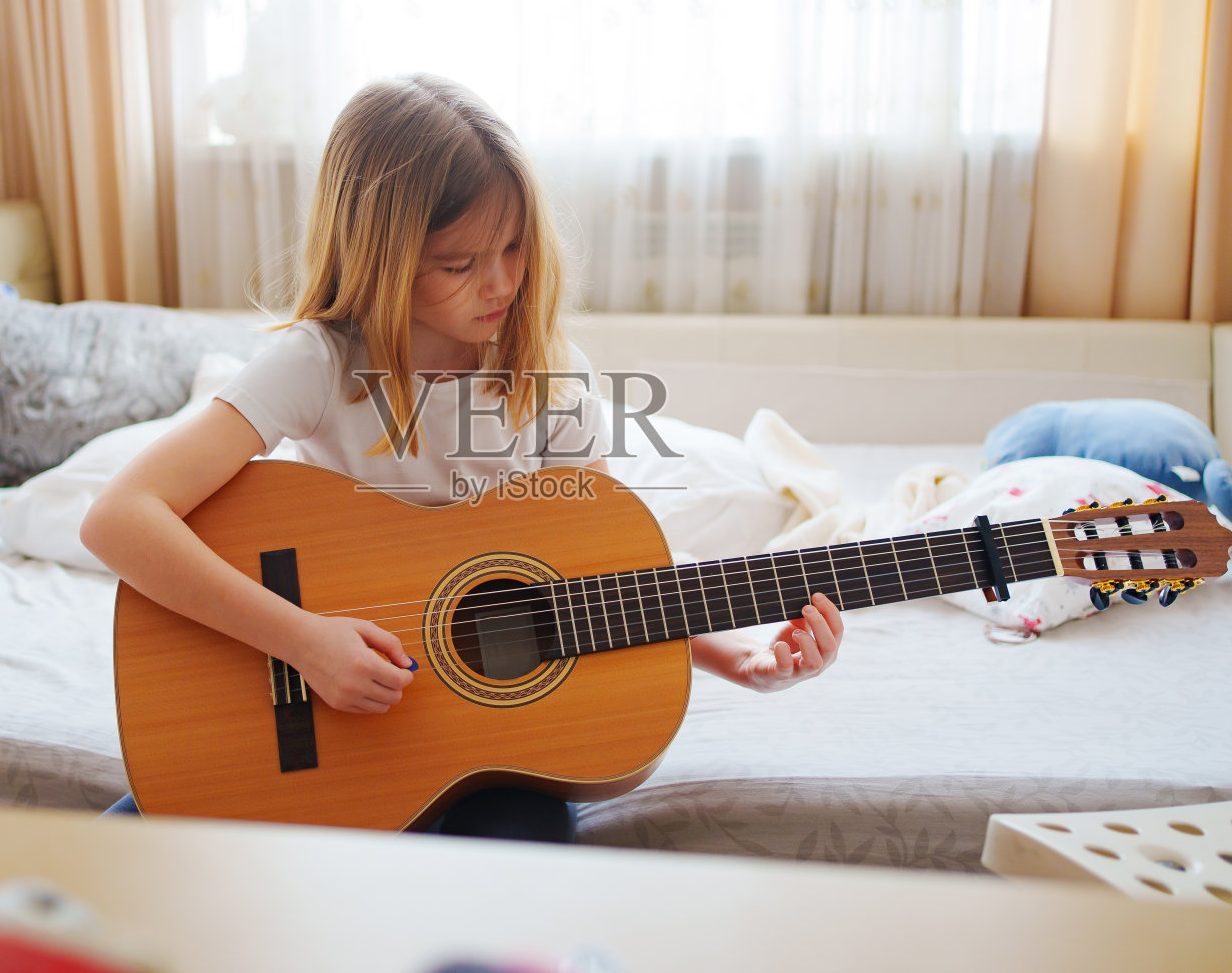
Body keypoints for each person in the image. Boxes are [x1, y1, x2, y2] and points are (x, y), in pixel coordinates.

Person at [80, 73, 844, 842]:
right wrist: (302, 640)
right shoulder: (318, 363)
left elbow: (610, 565)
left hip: (492, 744)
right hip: (335, 726)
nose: (503, 281)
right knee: (108, 875)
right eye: (460, 264)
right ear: (379, 256)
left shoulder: (545, 374)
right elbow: (117, 517)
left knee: (517, 891)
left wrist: (739, 657)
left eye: (515, 248)